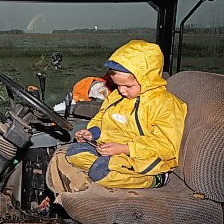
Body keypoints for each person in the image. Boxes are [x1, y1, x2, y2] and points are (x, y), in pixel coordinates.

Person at [65, 40, 187, 189]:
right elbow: (102, 117)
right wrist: (92, 133)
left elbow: (166, 146)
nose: (121, 91)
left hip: (145, 157)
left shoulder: (165, 105)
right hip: (113, 150)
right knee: (73, 153)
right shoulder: (117, 96)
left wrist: (125, 148)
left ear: (147, 79)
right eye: (118, 85)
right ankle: (109, 167)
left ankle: (156, 179)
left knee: (102, 173)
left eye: (128, 86)